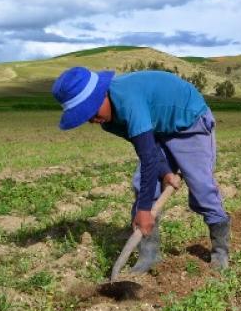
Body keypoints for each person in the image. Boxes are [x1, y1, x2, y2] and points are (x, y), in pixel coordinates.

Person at [51, 67, 231, 273]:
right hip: (157, 128)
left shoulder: (128, 101)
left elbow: (147, 158)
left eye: (92, 111)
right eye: (85, 117)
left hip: (189, 122)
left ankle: (220, 252)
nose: (92, 120)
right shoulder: (109, 121)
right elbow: (149, 150)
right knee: (143, 186)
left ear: (103, 95)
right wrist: (165, 171)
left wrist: (144, 212)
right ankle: (150, 256)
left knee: (201, 188)